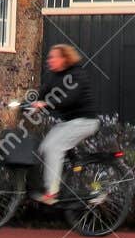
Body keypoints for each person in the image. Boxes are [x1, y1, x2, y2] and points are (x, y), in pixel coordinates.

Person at [31, 44, 101, 205]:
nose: (49, 60)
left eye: (53, 57)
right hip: (69, 122)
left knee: (54, 147)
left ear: (64, 58)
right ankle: (62, 180)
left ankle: (52, 192)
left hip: (85, 121)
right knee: (44, 147)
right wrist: (30, 103)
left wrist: (46, 104)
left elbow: (69, 98)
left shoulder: (77, 74)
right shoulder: (53, 75)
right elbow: (42, 93)